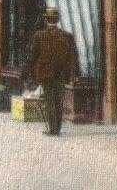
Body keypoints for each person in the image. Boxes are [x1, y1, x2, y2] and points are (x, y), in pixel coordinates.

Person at [27, 7, 79, 136]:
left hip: (44, 74)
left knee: (49, 100)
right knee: (58, 100)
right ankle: (57, 128)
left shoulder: (39, 35)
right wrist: (74, 74)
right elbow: (73, 57)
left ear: (45, 19)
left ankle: (52, 129)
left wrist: (29, 72)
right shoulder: (67, 36)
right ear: (58, 19)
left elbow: (33, 56)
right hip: (61, 73)